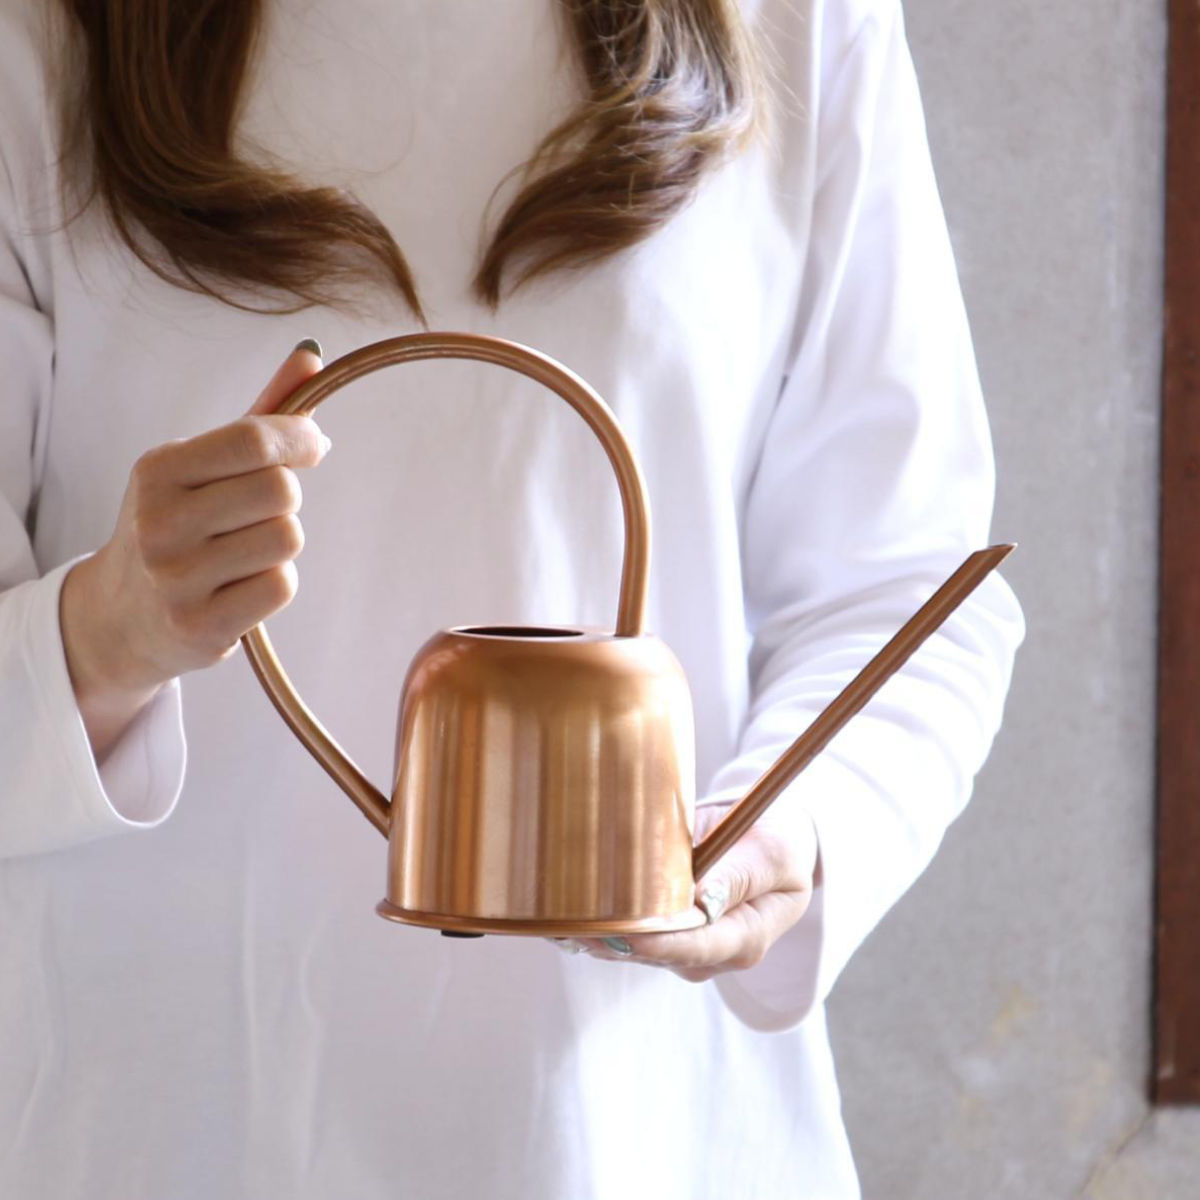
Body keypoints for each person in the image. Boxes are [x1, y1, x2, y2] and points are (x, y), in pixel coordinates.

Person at [0, 0, 1024, 1196]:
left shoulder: (804, 24)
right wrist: (105, 633)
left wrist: (781, 831)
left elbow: (905, 588)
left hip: (645, 1137)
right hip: (155, 1128)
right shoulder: (36, 39)